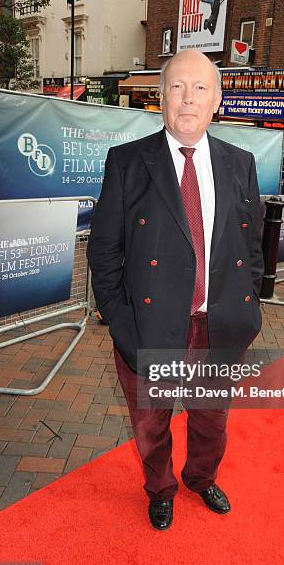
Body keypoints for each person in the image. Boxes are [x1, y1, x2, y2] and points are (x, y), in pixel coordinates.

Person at [87, 49, 264, 531]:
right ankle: (160, 488)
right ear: (161, 97)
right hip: (149, 326)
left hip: (218, 327)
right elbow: (104, 252)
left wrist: (250, 311)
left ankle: (201, 478)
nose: (188, 99)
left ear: (217, 99)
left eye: (200, 87)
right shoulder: (127, 162)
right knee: (151, 423)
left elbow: (250, 244)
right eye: (177, 87)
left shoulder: (240, 163)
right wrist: (121, 322)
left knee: (211, 420)